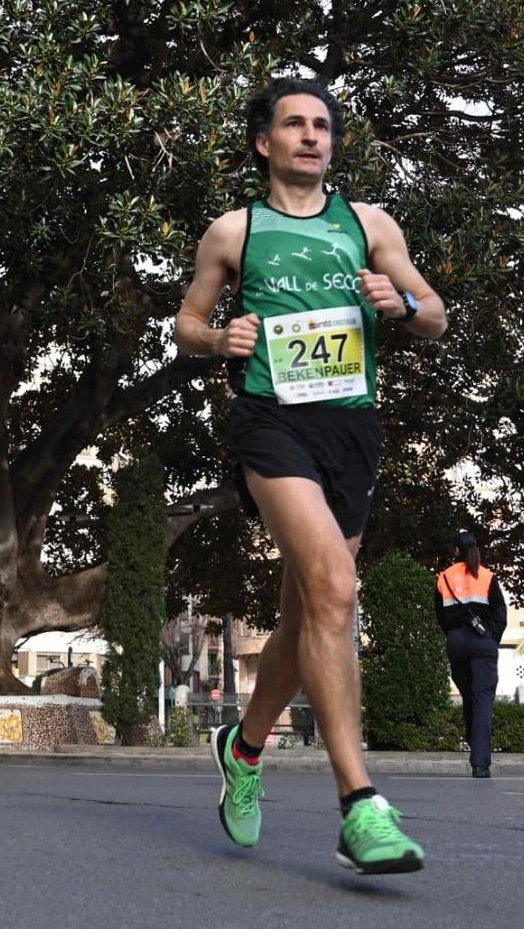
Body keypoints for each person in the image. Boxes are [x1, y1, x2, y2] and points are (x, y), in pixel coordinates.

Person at [176, 77, 447, 876]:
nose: (309, 136)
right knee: (333, 586)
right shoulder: (235, 230)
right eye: (294, 124)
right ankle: (361, 805)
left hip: (351, 430)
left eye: (321, 126)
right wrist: (218, 337)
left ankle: (244, 747)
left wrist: (396, 301)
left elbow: (436, 314)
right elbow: (186, 322)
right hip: (272, 420)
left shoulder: (368, 225)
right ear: (265, 143)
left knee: (306, 615)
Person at [437, 530, 508, 779]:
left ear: (456, 551)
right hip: (483, 643)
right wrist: (491, 638)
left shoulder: (444, 577)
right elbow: (500, 613)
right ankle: (480, 763)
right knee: (482, 701)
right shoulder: (488, 576)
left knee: (469, 697)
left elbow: (441, 617)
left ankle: (474, 745)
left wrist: (454, 634)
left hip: (457, 642)